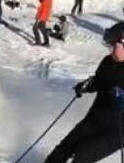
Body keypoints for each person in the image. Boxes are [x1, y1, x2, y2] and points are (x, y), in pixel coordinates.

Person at [45, 22, 124, 162]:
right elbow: (99, 81)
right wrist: (87, 86)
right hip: (95, 119)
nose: (111, 51)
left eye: (114, 46)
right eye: (109, 46)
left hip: (116, 131)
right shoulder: (108, 62)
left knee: (83, 156)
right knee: (65, 147)